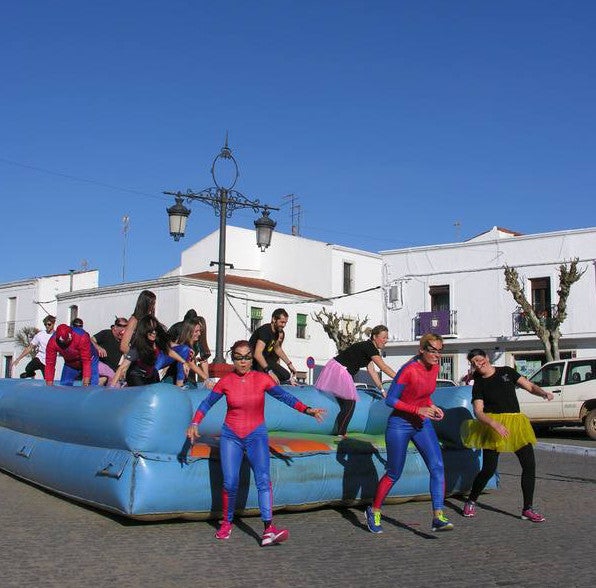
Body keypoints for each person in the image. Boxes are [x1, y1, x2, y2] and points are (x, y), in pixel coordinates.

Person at [186, 340, 326, 546]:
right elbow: (207, 403)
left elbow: (285, 397)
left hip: (256, 435)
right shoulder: (226, 382)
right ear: (232, 359)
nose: (243, 362)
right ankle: (227, 522)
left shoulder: (262, 380)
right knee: (230, 482)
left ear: (252, 358)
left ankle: (268, 529)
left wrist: (307, 409)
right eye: (238, 357)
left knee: (263, 479)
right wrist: (195, 422)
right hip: (231, 436)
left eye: (247, 357)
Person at [365, 333, 454, 534]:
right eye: (432, 351)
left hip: (422, 423)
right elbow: (391, 400)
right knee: (394, 472)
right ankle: (374, 510)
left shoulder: (435, 367)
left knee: (438, 466)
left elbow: (424, 395)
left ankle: (438, 516)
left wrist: (432, 406)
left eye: (440, 351)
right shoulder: (408, 370)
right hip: (400, 425)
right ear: (421, 350)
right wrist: (418, 410)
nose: (437, 355)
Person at [460, 348, 554, 522]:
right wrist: (494, 424)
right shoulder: (479, 383)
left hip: (516, 424)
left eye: (480, 359)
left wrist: (543, 393)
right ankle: (471, 500)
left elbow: (530, 386)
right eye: (473, 363)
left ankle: (527, 509)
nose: (478, 364)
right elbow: (478, 412)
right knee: (488, 469)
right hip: (492, 425)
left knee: (529, 465)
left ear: (487, 358)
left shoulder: (506, 372)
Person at [315, 325, 396, 438]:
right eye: (383, 337)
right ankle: (341, 433)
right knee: (350, 402)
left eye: (387, 338)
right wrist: (399, 378)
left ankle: (338, 430)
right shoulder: (369, 347)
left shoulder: (368, 348)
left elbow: (372, 371)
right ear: (374, 337)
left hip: (339, 369)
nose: (386, 340)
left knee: (346, 402)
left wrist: (382, 389)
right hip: (340, 370)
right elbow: (383, 367)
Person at [110, 316, 206, 387]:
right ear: (145, 331)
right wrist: (111, 388)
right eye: (151, 331)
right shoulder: (138, 346)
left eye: (155, 330)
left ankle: (179, 386)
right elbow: (122, 367)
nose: (154, 333)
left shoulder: (158, 340)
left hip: (150, 374)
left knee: (155, 384)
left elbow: (170, 351)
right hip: (136, 375)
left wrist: (183, 362)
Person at [249, 308, 297, 385]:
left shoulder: (277, 332)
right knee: (268, 376)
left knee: (286, 375)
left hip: (265, 359)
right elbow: (257, 354)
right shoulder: (265, 331)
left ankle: (269, 380)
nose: (283, 325)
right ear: (274, 319)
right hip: (253, 362)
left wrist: (289, 364)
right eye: (281, 322)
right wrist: (269, 371)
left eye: (285, 323)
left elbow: (277, 348)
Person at [92, 317, 128, 384]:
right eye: (120, 326)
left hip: (113, 370)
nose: (123, 329)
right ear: (115, 327)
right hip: (99, 365)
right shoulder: (106, 333)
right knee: (103, 378)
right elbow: (90, 340)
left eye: (125, 326)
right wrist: (98, 347)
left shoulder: (125, 341)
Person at [120, 290, 156, 354]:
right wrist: (138, 357)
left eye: (154, 304)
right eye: (152, 304)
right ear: (145, 304)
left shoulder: (151, 321)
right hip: (138, 360)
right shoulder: (134, 320)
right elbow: (123, 346)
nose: (153, 307)